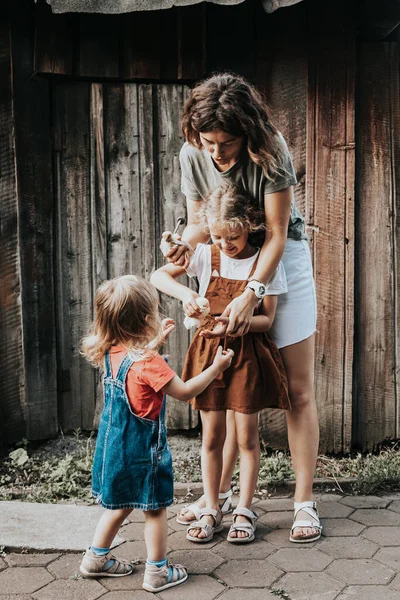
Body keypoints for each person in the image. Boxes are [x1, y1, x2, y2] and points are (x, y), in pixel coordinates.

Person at [166, 72, 321, 544]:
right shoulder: (193, 152)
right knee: (232, 386)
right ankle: (221, 499)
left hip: (279, 259)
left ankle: (304, 503)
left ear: (248, 132)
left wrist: (254, 290)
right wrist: (177, 246)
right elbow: (199, 224)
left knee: (297, 389)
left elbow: (275, 232)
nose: (217, 153)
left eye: (227, 142)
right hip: (226, 258)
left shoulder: (271, 150)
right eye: (208, 141)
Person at [151, 181, 290, 543]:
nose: (226, 245)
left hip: (246, 356)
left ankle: (245, 507)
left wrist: (239, 324)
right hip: (207, 355)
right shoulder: (204, 255)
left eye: (234, 237)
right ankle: (212, 505)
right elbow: (159, 275)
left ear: (250, 225)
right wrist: (187, 295)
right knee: (211, 436)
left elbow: (268, 320)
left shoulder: (266, 263)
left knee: (246, 437)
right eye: (217, 237)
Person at [79, 275, 233, 591]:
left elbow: (134, 368)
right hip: (142, 453)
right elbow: (187, 389)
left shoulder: (111, 352)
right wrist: (216, 368)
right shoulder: (149, 363)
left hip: (113, 448)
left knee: (119, 504)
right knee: (155, 508)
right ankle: (158, 571)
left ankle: (95, 558)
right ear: (147, 319)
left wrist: (155, 342)